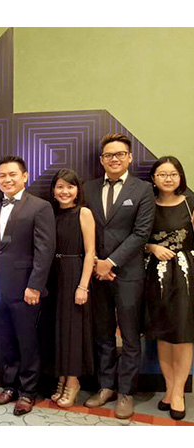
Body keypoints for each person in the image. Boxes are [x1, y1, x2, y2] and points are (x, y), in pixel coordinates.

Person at [83, 133, 155, 419]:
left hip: (128, 273)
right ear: (101, 160)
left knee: (129, 335)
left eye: (120, 154)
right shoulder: (88, 188)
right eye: (109, 155)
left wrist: (111, 262)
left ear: (129, 157)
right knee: (102, 333)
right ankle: (106, 386)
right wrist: (96, 264)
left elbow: (141, 233)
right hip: (96, 274)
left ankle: (126, 392)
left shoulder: (143, 189)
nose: (114, 159)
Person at [0, 155, 56, 416]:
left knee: (28, 342)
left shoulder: (40, 207)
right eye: (2, 175)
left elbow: (45, 250)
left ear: (24, 176)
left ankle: (28, 392)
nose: (7, 179)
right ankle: (10, 387)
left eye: (12, 174)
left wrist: (35, 285)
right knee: (6, 341)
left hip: (26, 288)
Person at [143, 156, 193, 420]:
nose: (168, 178)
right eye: (162, 174)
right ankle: (170, 387)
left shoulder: (190, 202)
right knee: (163, 333)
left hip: (186, 275)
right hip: (156, 274)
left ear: (180, 176)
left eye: (173, 174)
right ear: (153, 178)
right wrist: (152, 247)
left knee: (183, 333)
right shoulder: (147, 204)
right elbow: (138, 238)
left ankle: (178, 392)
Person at [48, 169, 95, 408]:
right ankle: (62, 377)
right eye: (60, 187)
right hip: (53, 275)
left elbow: (90, 252)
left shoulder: (83, 213)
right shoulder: (50, 213)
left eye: (70, 186)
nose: (64, 191)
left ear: (77, 190)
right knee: (58, 329)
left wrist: (83, 286)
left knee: (74, 329)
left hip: (75, 271)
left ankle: (73, 381)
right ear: (53, 191)